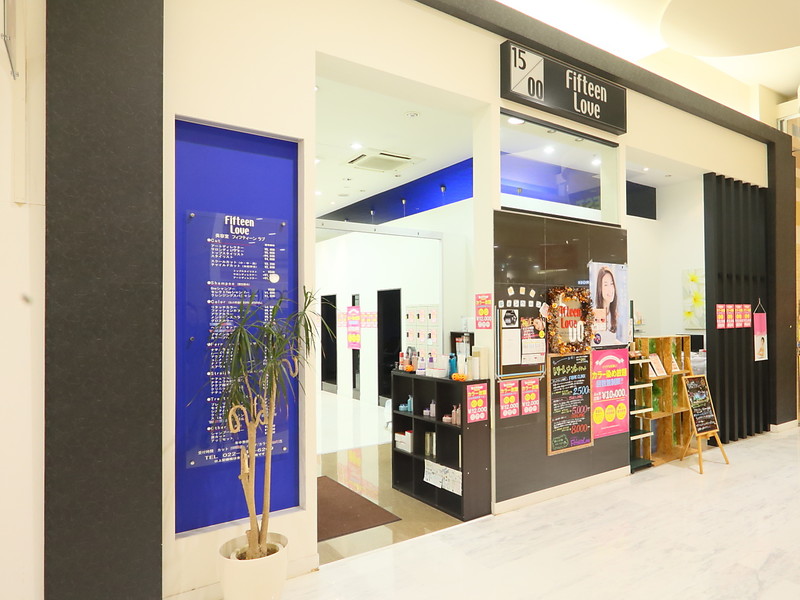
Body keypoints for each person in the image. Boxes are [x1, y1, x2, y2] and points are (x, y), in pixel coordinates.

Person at [593, 266, 622, 345]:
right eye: (605, 285)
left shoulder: (613, 313)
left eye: (611, 284)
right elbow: (596, 343)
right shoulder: (595, 314)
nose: (610, 289)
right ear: (600, 289)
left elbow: (610, 340)